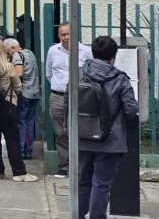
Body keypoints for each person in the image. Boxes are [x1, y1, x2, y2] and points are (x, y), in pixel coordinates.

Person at [78, 36, 138, 219]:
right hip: (110, 139)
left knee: (83, 181)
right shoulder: (120, 78)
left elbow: (68, 105)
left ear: (92, 52)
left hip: (82, 135)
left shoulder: (79, 74)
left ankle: (79, 214)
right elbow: (130, 109)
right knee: (101, 183)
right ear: (114, 56)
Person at [0, 38, 37, 182]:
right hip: (6, 106)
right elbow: (17, 86)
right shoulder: (7, 66)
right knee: (12, 139)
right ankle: (19, 172)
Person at [45, 22, 93, 178]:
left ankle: (81, 166)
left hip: (79, 98)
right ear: (58, 36)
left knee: (80, 130)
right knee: (61, 132)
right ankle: (65, 166)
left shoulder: (85, 51)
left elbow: (90, 74)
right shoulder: (53, 51)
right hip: (58, 96)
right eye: (62, 34)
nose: (66, 37)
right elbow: (49, 74)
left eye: (68, 34)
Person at [5, 38, 41, 160]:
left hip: (25, 92)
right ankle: (29, 150)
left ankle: (21, 150)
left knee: (22, 122)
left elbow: (19, 73)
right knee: (30, 122)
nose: (9, 54)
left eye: (8, 51)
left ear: (13, 48)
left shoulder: (17, 55)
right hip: (35, 92)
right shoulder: (30, 53)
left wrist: (8, 74)